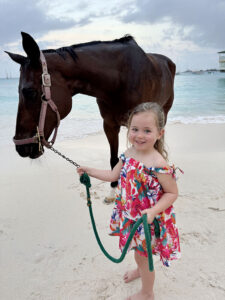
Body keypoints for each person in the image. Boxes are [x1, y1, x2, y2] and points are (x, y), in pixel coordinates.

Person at [77, 102, 181, 300]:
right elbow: (112, 175)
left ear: (160, 133)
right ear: (128, 130)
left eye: (147, 130)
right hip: (130, 216)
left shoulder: (158, 164)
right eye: (135, 129)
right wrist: (89, 170)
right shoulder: (127, 154)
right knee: (137, 252)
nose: (139, 135)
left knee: (144, 258)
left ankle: (147, 292)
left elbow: (172, 193)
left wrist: (152, 211)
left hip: (148, 221)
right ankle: (139, 270)